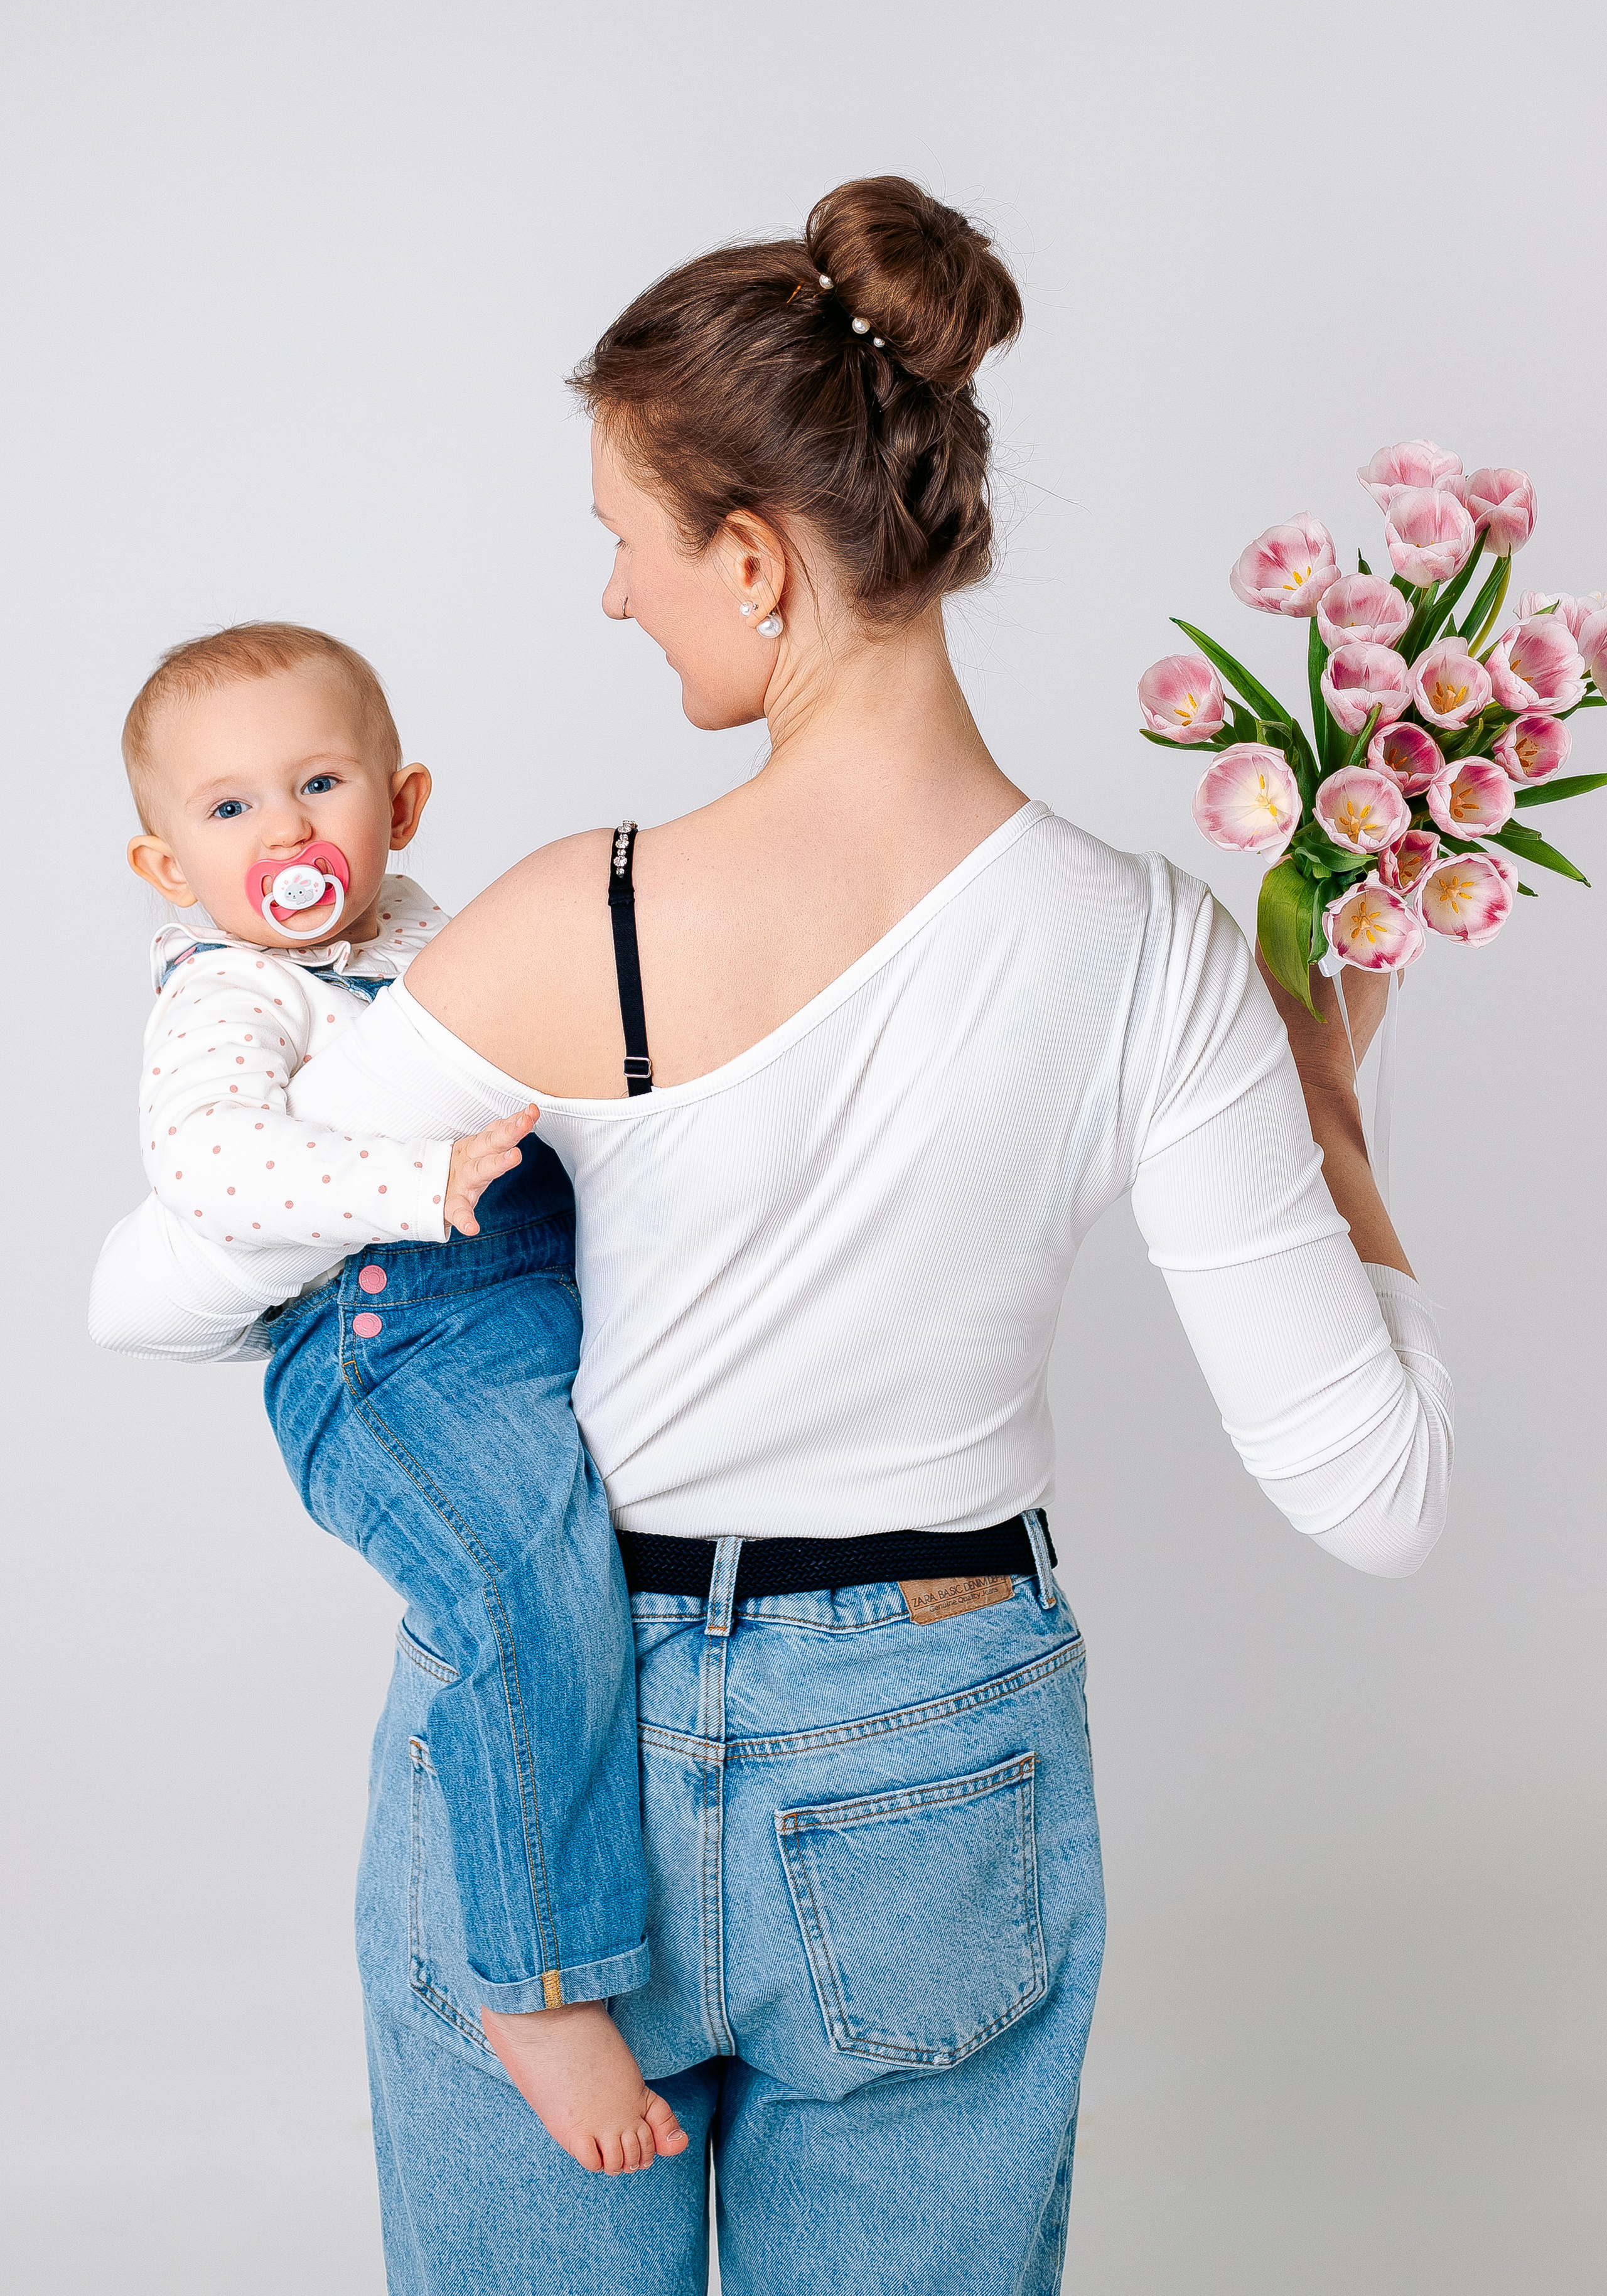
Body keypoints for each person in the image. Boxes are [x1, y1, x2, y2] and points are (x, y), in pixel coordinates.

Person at [137, 176, 1452, 2292]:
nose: (611, 600)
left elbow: (192, 1266)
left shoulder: (573, 917)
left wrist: (318, 1132)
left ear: (749, 558)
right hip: (948, 1743)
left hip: (560, 1746)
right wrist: (1328, 1111)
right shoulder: (1154, 954)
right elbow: (1378, 1500)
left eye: (623, 543)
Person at [89, 622, 687, 2175]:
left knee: (627, 1551)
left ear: (401, 804)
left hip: (527, 1307)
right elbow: (211, 1170)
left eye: (319, 782)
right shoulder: (236, 994)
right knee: (517, 1580)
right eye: (228, 812)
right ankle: (539, 1986)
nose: (283, 831)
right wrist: (412, 1178)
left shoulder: (433, 938)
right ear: (169, 868)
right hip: (381, 1343)